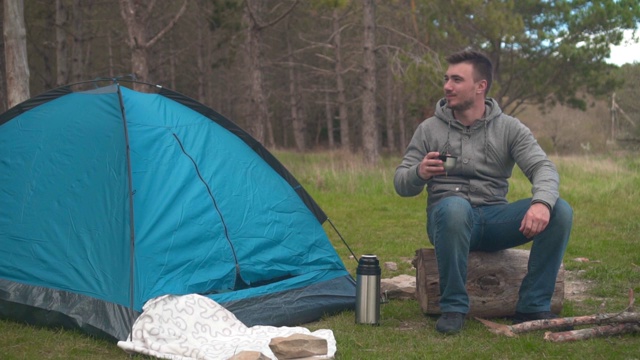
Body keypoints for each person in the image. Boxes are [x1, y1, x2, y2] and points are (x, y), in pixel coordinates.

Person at [393, 49, 573, 335]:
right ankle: (453, 306)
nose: (447, 86)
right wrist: (419, 173)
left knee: (560, 210)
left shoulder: (509, 128)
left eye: (456, 80)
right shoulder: (429, 129)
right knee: (454, 208)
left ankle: (532, 304)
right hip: (447, 219)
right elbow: (401, 183)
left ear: (480, 86)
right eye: (446, 79)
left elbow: (543, 168)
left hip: (494, 219)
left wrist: (541, 203)